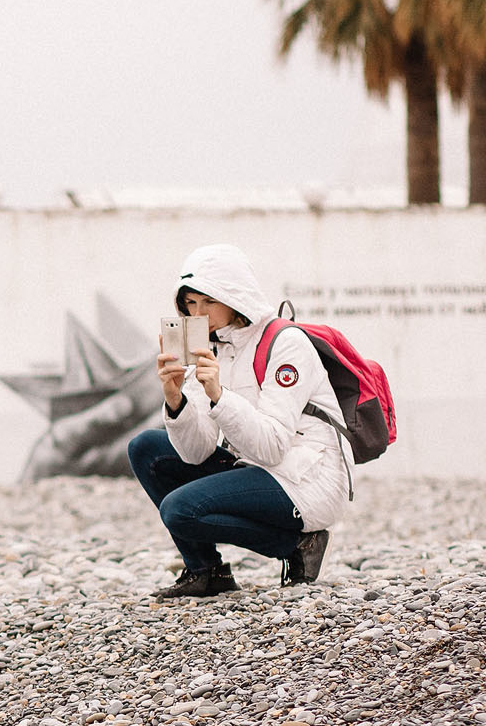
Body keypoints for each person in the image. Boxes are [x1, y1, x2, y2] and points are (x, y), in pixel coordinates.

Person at [128, 244, 349, 598]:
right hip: (255, 465)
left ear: (235, 297)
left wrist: (218, 395)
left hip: (307, 478)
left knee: (180, 510)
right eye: (190, 303)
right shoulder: (214, 348)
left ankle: (298, 545)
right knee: (145, 447)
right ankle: (206, 572)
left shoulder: (286, 343)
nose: (198, 314)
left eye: (209, 301)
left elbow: (274, 446)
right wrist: (176, 399)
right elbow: (196, 452)